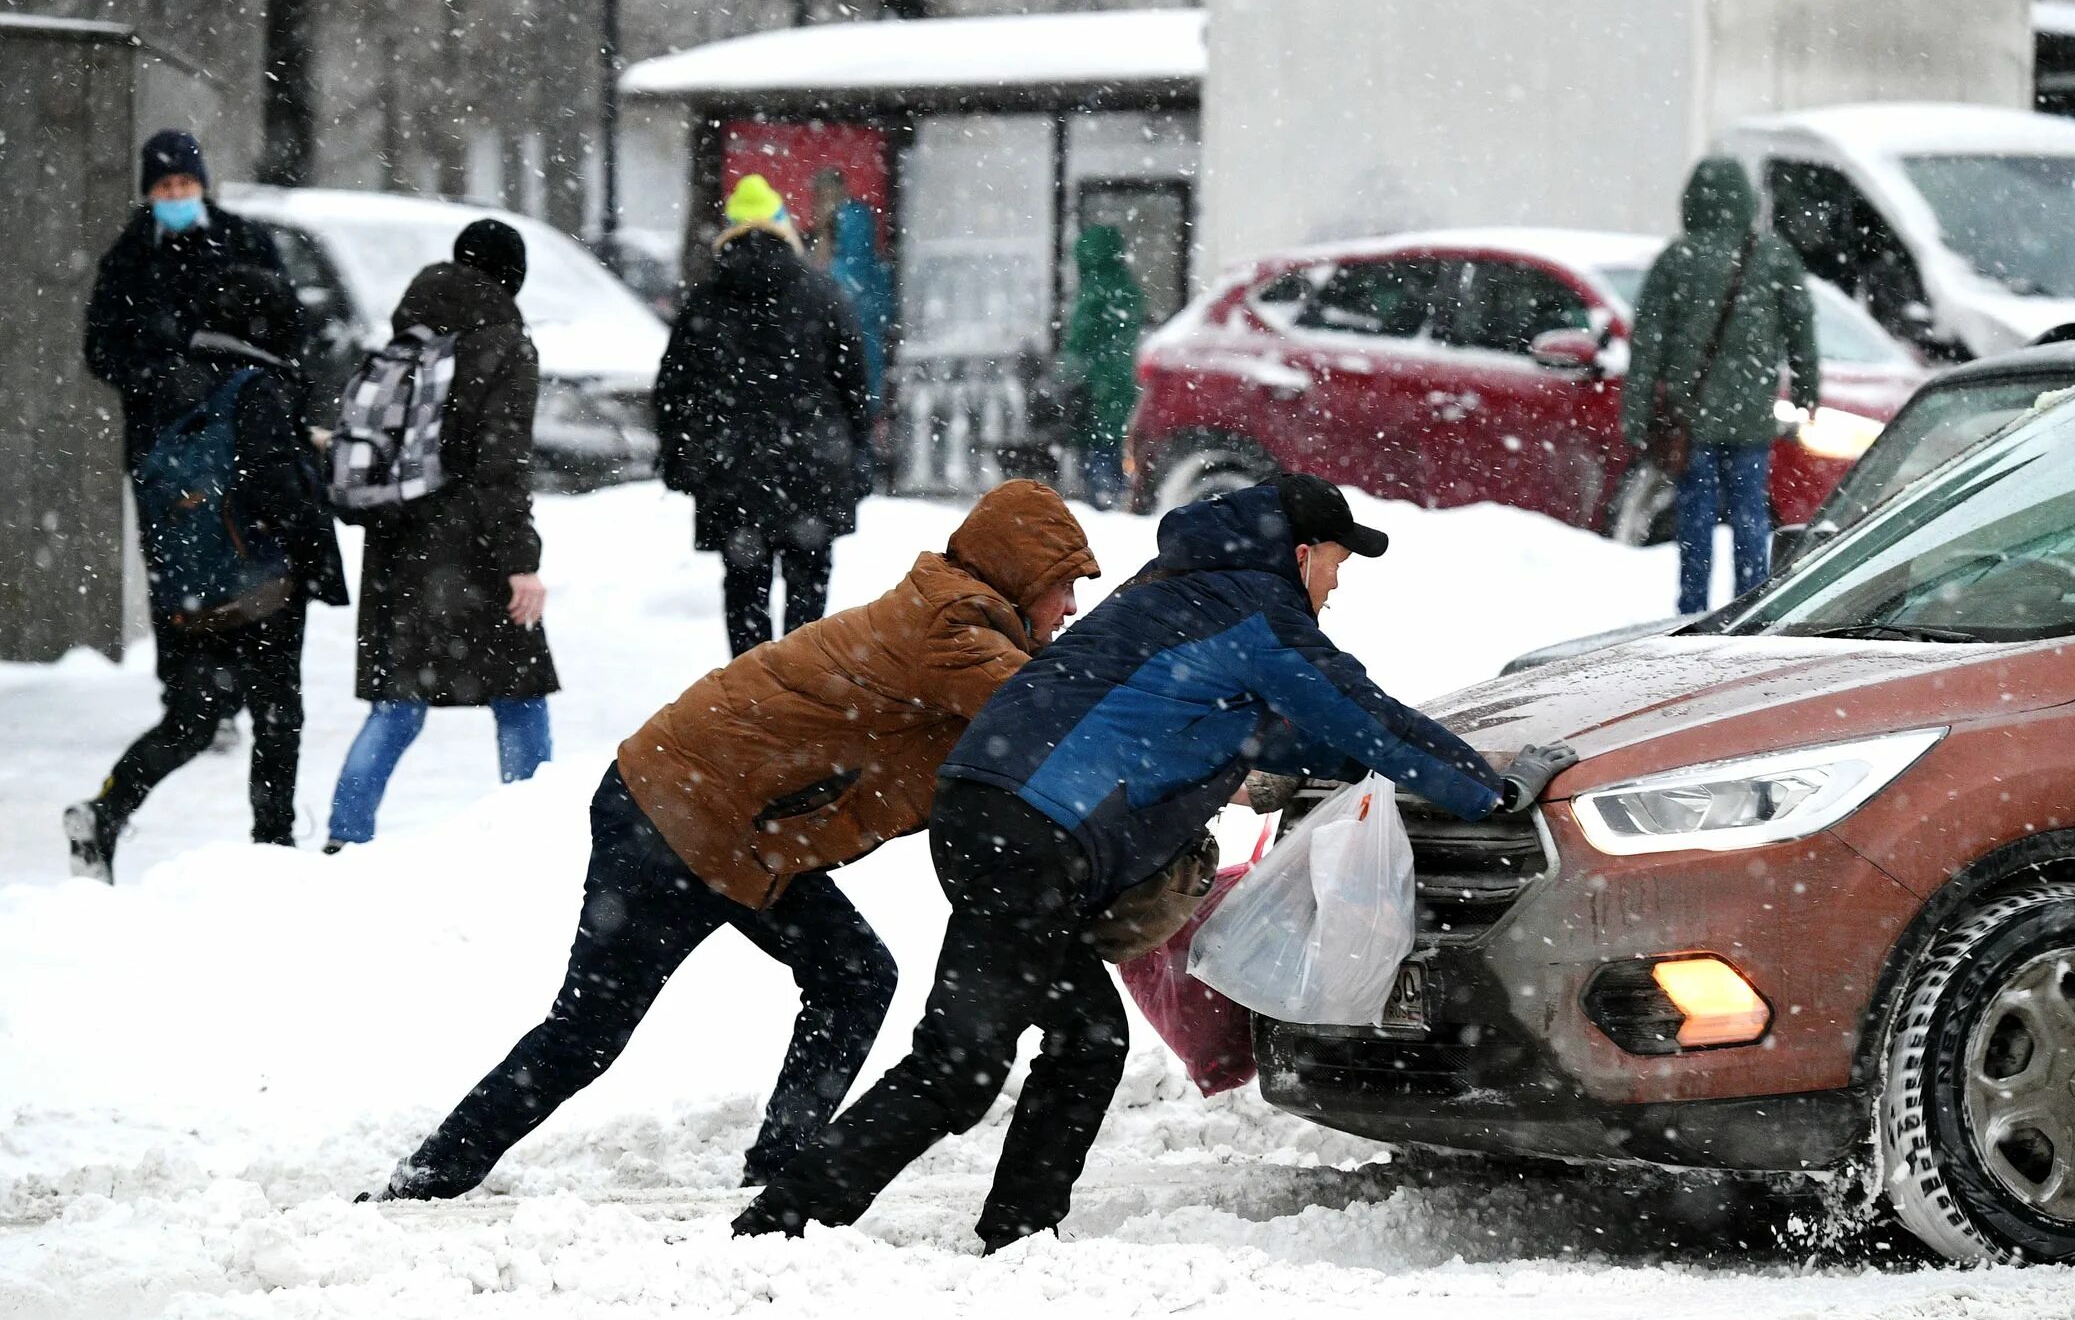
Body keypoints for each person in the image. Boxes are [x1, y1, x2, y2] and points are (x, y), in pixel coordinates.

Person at [733, 473, 1579, 1252]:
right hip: (1032, 837)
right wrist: (1489, 789)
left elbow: (1241, 717)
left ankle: (1019, 1234)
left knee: (1088, 1036)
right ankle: (785, 1217)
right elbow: (1367, 715)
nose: (1336, 585)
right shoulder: (1259, 615)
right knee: (960, 1062)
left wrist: (1325, 765)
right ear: (1298, 554)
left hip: (994, 815)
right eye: (1334, 563)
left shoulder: (1175, 591)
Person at [366, 480, 1099, 1200]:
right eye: (1063, 586)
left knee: (853, 976)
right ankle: (426, 1180)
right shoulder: (955, 632)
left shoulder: (959, 620)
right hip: (676, 815)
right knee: (586, 1031)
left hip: (735, 830)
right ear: (1020, 572)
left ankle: (782, 1162)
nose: (1070, 608)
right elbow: (1062, 723)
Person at [66, 266, 349, 880]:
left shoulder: (169, 380)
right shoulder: (258, 388)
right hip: (260, 588)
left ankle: (105, 809)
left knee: (192, 722)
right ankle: (272, 851)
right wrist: (316, 551)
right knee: (278, 717)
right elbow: (279, 489)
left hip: (192, 585)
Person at [323, 220, 557, 852]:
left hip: (400, 543)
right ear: (511, 275)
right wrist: (520, 561)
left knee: (399, 703)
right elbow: (500, 464)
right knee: (521, 693)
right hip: (471, 547)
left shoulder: (411, 334)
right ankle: (534, 826)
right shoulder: (504, 344)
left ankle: (345, 837)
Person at [84, 129, 297, 752]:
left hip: (233, 440)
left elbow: (282, 328)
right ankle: (186, 697)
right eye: (164, 187)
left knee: (238, 558)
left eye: (185, 184)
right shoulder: (130, 257)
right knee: (174, 572)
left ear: (203, 185)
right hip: (162, 450)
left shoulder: (244, 242)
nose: (176, 195)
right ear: (149, 193)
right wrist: (156, 375)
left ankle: (231, 697)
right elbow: (101, 348)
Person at [656, 173, 872, 657]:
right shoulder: (823, 294)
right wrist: (857, 454)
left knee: (744, 591)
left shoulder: (706, 300)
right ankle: (800, 698)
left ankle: (752, 704)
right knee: (807, 597)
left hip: (733, 477)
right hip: (812, 472)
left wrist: (682, 459)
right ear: (784, 228)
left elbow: (673, 391)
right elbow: (855, 387)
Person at [1621, 156, 1819, 615]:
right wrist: (1807, 390)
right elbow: (1801, 328)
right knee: (1751, 516)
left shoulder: (1677, 259)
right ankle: (1751, 606)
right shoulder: (1772, 256)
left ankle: (1693, 609)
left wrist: (1636, 413)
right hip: (1752, 416)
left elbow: (1647, 345)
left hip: (1693, 419)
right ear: (1746, 200)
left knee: (1695, 517)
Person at [1058, 225, 1145, 510]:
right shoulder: (1129, 287)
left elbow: (1078, 342)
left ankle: (1103, 501)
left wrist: (1063, 374)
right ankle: (1120, 497)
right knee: (1121, 442)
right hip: (1125, 381)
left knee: (1099, 447)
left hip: (1097, 386)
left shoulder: (1094, 290)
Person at [810, 168, 895, 410]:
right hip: (854, 335)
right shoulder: (838, 226)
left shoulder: (852, 221)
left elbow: (849, 278)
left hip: (858, 333)